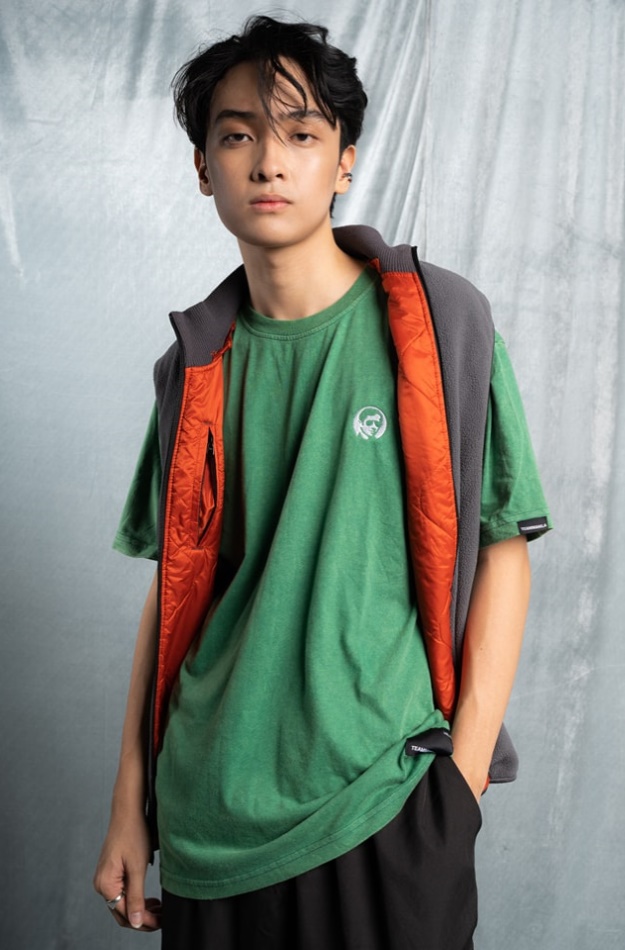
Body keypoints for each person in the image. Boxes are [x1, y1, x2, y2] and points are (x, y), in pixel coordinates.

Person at [93, 14, 551, 950]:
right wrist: (129, 805)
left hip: (385, 800)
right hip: (211, 812)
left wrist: (458, 783)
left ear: (343, 162)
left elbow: (502, 545)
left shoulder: (439, 323)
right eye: (237, 136)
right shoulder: (191, 369)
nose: (269, 162)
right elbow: (174, 592)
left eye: (300, 134)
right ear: (203, 167)